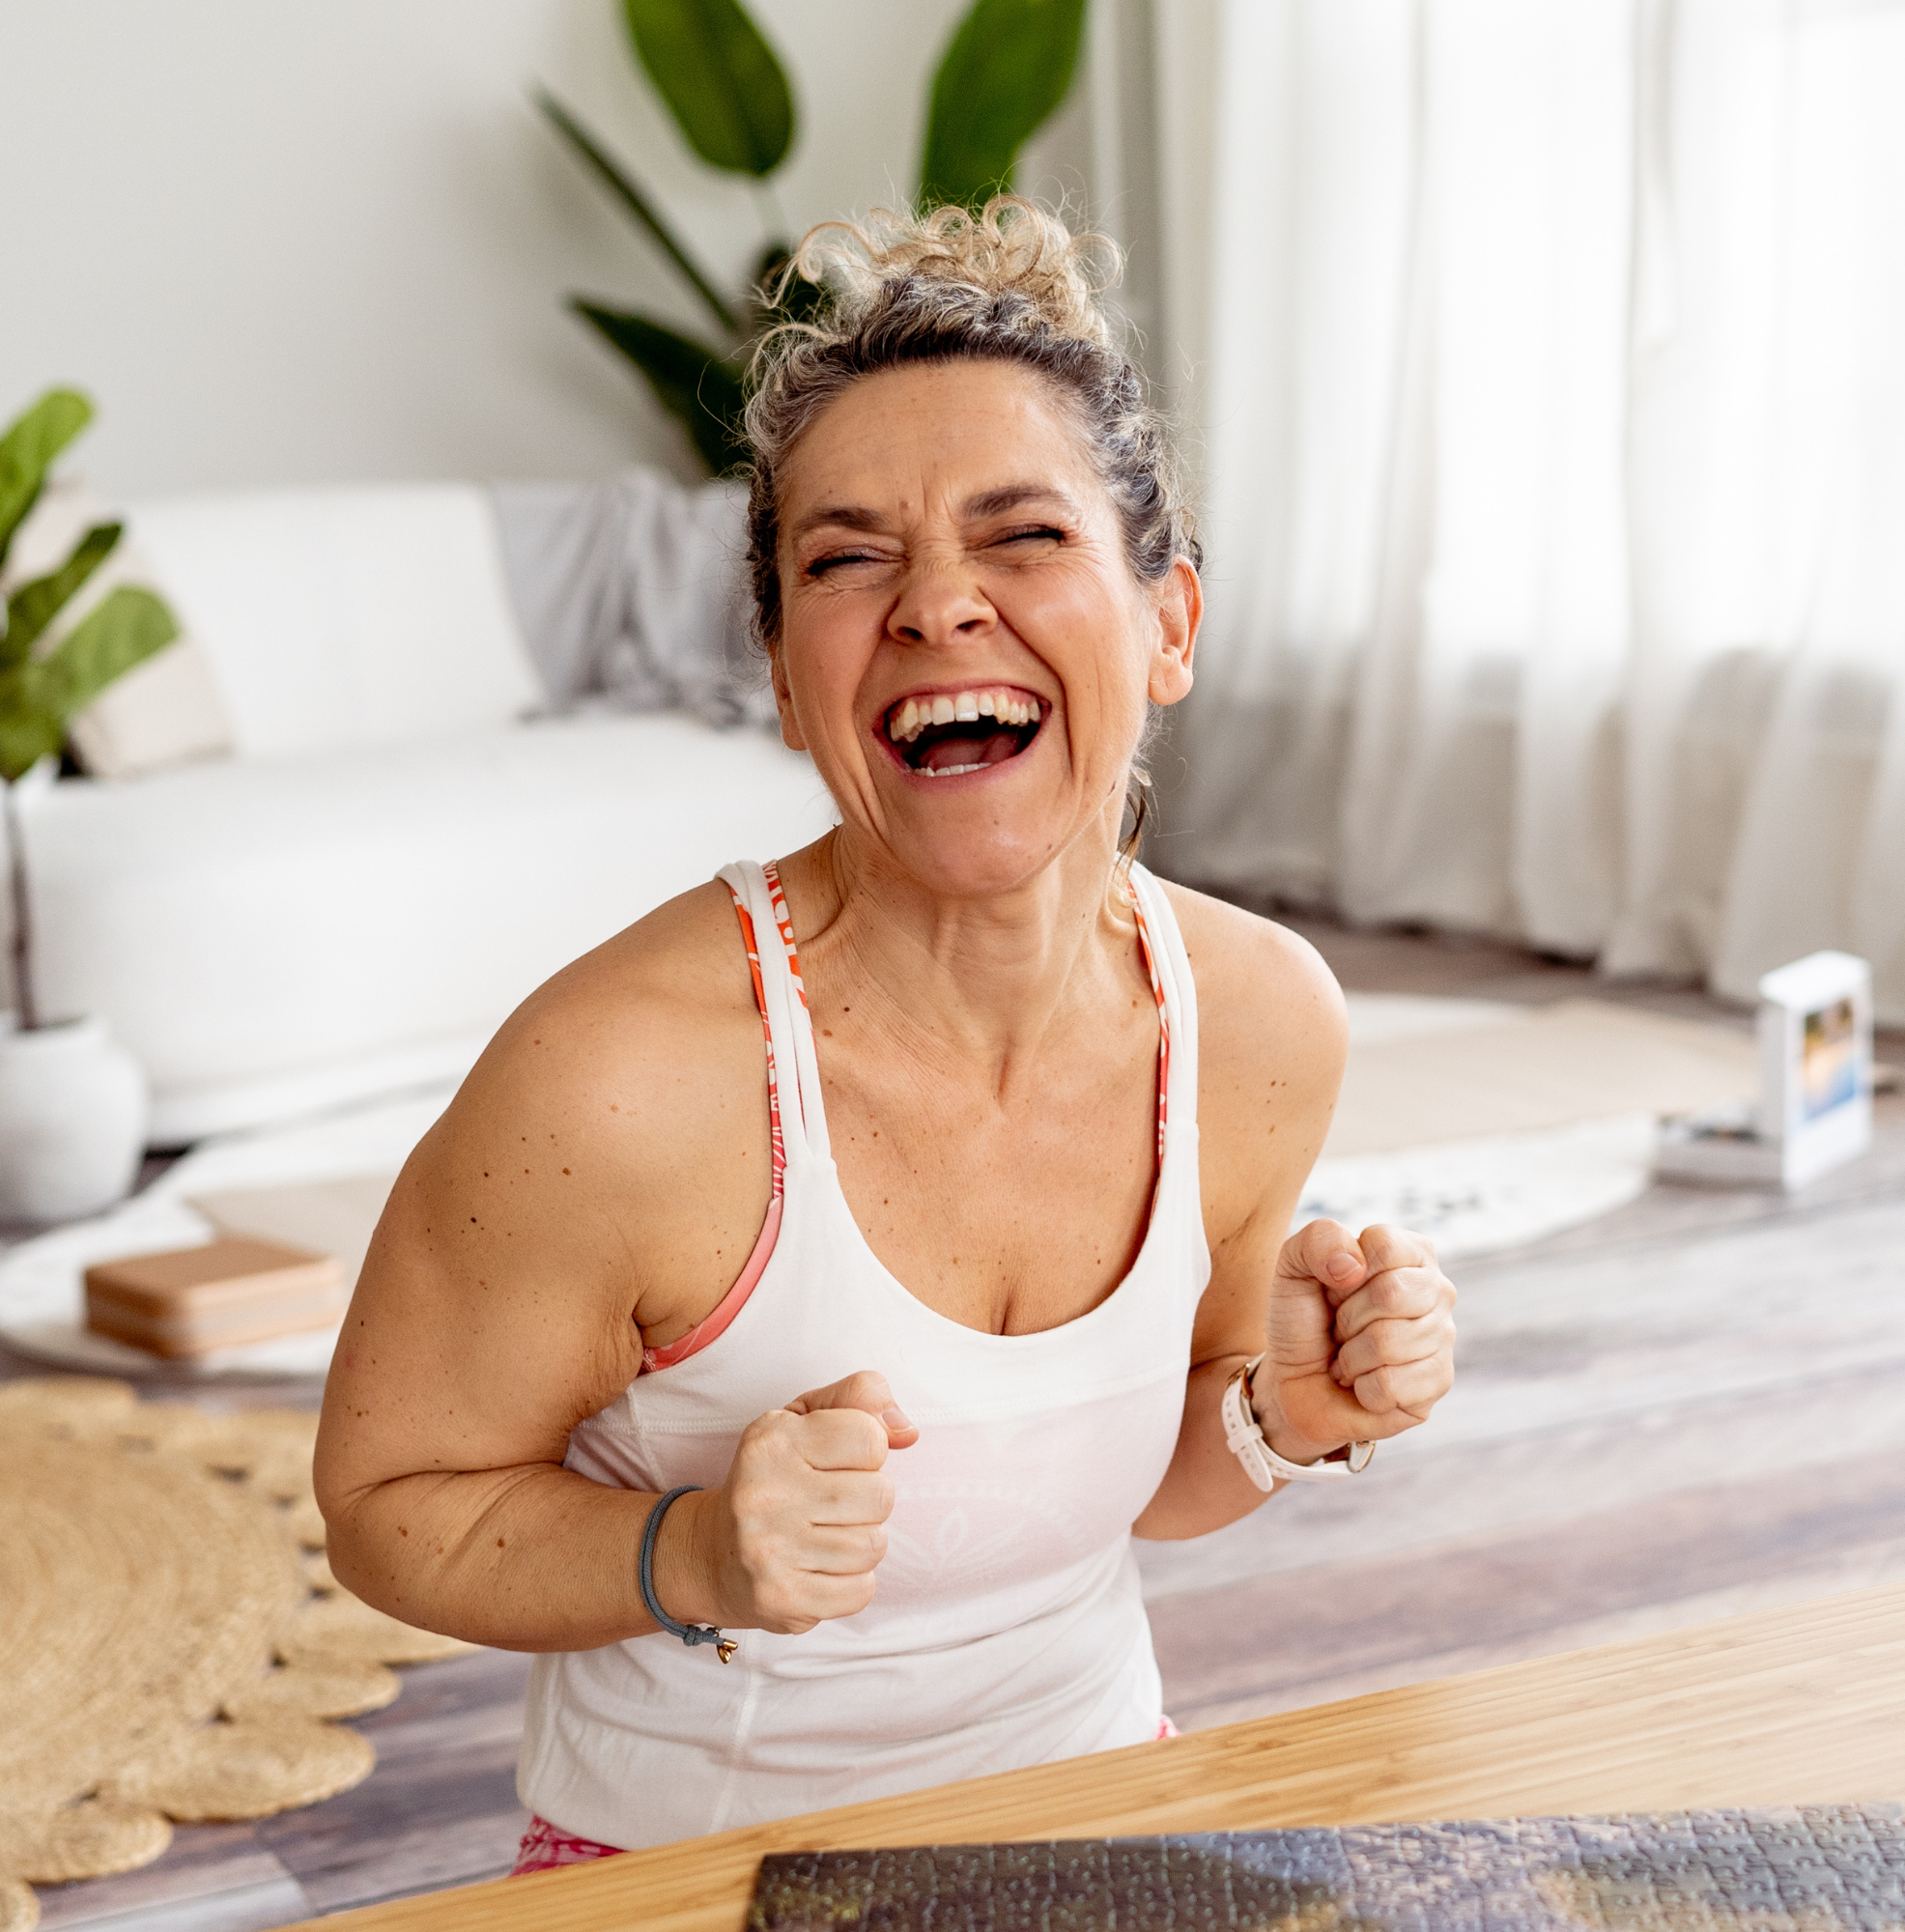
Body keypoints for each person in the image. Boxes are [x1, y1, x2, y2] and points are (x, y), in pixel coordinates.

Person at [313, 199, 1457, 1866]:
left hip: (1101, 1816)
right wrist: (689, 1555)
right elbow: (392, 1507)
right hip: (693, 1873)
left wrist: (1290, 1408)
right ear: (786, 679)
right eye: (846, 559)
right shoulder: (620, 1081)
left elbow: (1138, 1486)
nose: (935, 606)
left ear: (1171, 626)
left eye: (1025, 537)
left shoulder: (1265, 1021)